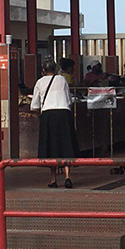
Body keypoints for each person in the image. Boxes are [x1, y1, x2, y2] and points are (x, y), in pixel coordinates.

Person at [31, 59, 79, 188]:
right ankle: (68, 176)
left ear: (43, 70)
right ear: (55, 69)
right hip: (64, 114)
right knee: (66, 144)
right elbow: (69, 100)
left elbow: (34, 105)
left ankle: (53, 179)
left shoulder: (39, 82)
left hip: (48, 116)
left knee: (51, 146)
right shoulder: (62, 80)